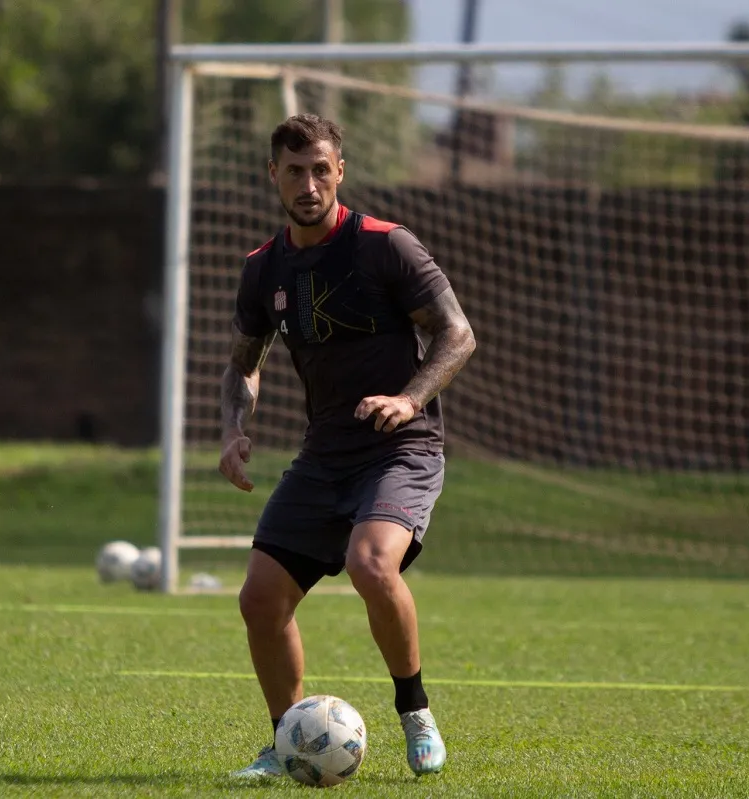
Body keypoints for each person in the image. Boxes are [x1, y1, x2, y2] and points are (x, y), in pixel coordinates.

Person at [219, 114, 477, 779]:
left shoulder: (386, 246)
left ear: (341, 171)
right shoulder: (264, 268)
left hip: (403, 446)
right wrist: (233, 427)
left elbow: (457, 335)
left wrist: (408, 398)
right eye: (294, 170)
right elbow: (244, 362)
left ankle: (415, 711)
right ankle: (286, 743)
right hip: (324, 453)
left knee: (370, 563)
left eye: (321, 169)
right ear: (271, 174)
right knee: (259, 599)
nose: (308, 183)